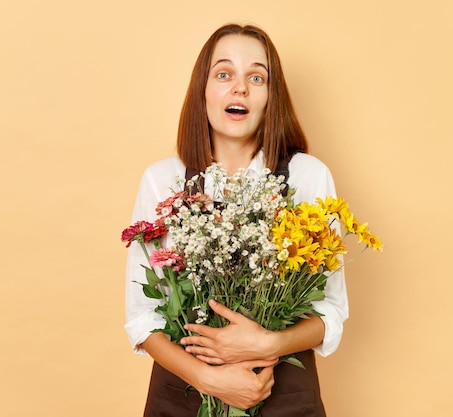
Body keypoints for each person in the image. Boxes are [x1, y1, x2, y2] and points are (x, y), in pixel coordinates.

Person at [125, 23, 349, 416]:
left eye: (256, 77)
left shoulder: (308, 177)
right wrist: (209, 379)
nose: (239, 88)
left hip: (284, 398)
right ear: (203, 91)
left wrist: (269, 345)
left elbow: (330, 310)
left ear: (270, 97)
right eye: (224, 74)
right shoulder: (162, 180)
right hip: (183, 397)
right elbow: (142, 319)